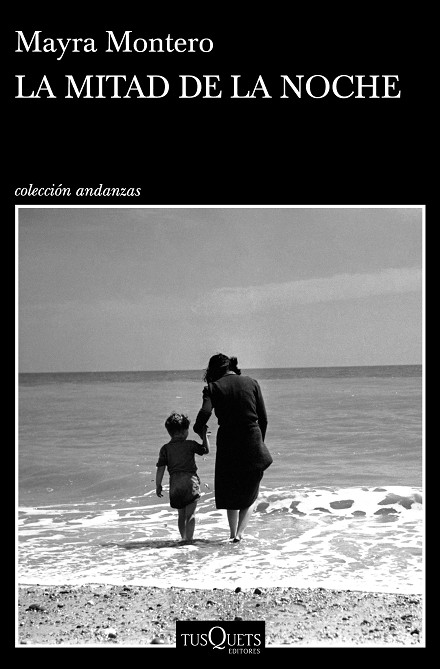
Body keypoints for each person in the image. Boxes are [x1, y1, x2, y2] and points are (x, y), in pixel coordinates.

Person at [193, 353, 272, 542]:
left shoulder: (212, 387)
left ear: (213, 370)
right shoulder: (252, 383)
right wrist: (260, 442)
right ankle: (239, 534)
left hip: (228, 442)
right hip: (251, 438)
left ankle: (231, 534)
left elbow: (205, 412)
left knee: (230, 489)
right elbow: (263, 419)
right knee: (250, 492)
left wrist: (198, 428)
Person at [156, 412, 209, 542]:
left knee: (181, 515)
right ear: (185, 431)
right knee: (190, 515)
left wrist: (158, 485)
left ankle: (183, 538)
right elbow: (205, 450)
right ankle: (189, 540)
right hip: (190, 484)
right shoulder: (190, 444)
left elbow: (161, 468)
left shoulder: (165, 449)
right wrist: (204, 435)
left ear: (169, 432)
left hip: (175, 486)